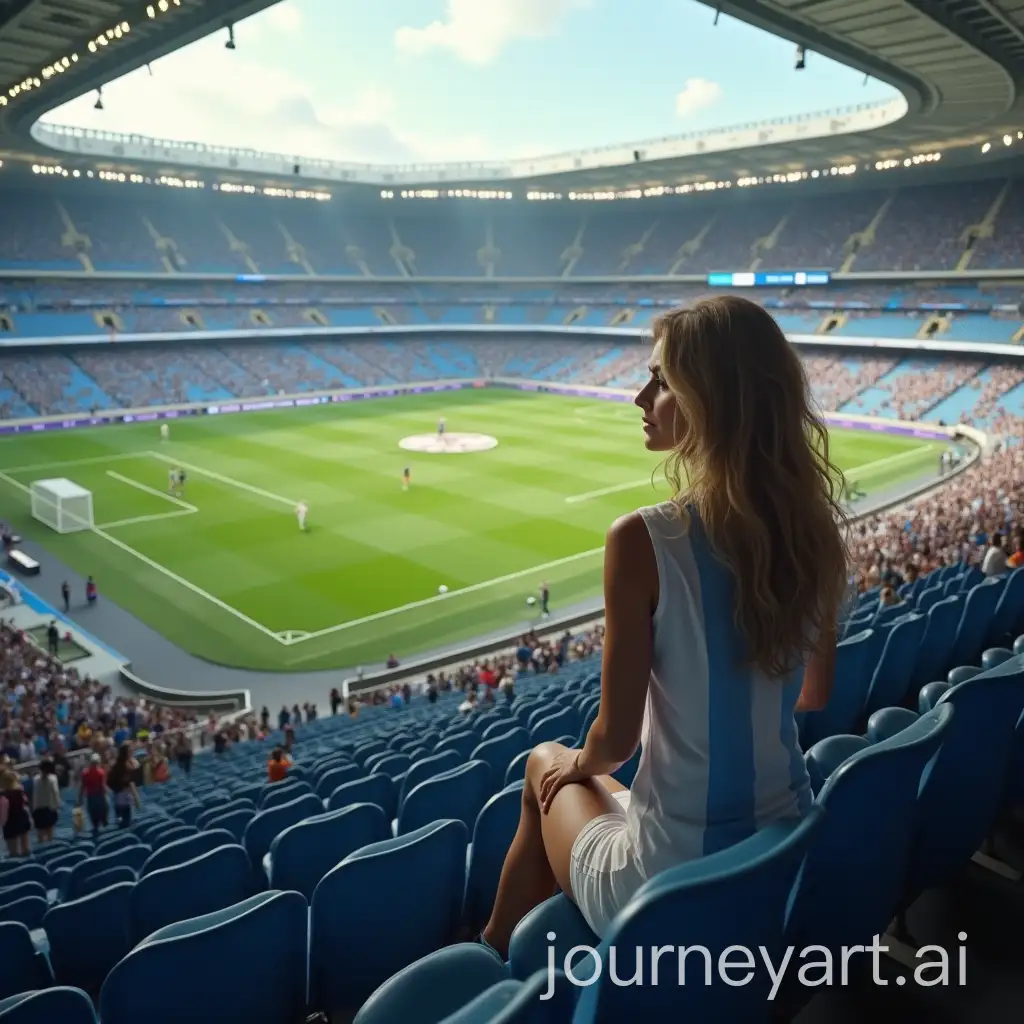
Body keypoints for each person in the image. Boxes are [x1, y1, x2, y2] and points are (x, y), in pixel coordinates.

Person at [481, 297, 847, 954]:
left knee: (542, 765)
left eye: (662, 381)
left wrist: (576, 765)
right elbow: (813, 694)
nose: (640, 396)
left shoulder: (644, 540)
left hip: (671, 878)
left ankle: (494, 961)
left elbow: (614, 741)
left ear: (713, 399)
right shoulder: (814, 532)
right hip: (786, 844)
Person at [0, 768, 32, 857]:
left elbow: (3, 816)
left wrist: (3, 827)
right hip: (23, 819)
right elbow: (26, 806)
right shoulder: (21, 792)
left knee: (13, 852)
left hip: (11, 824)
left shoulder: (4, 797)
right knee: (26, 850)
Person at [108, 742, 141, 829]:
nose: (132, 752)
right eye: (130, 751)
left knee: (121, 822)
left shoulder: (116, 765)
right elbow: (131, 783)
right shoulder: (126, 766)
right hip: (125, 798)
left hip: (117, 798)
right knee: (127, 822)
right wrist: (137, 799)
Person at [31, 758, 61, 843]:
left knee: (40, 835)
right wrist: (57, 806)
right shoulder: (53, 779)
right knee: (50, 834)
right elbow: (56, 793)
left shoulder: (35, 779)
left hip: (38, 810)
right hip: (49, 809)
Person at [79, 753, 109, 834]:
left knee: (95, 822)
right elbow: (103, 786)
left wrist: (80, 799)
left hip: (91, 798)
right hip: (100, 798)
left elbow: (82, 787)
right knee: (104, 821)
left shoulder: (85, 773)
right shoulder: (101, 772)